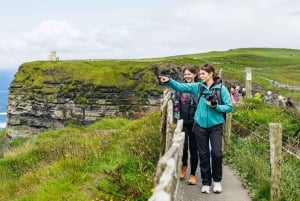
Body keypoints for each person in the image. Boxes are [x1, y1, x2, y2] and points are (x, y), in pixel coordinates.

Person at [159, 63, 232, 194]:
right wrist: (169, 81)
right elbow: (181, 87)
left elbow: (229, 106)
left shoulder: (222, 89)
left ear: (211, 74)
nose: (201, 76)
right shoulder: (197, 87)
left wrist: (216, 107)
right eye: (200, 73)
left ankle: (216, 182)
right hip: (200, 125)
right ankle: (205, 182)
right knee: (203, 154)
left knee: (217, 154)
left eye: (203, 73)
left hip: (216, 126)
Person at [173, 66, 199, 185]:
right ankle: (184, 166)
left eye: (189, 74)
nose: (187, 76)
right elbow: (176, 105)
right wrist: (177, 120)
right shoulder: (180, 89)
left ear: (195, 74)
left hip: (196, 123)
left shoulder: (200, 88)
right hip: (183, 122)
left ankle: (193, 174)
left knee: (194, 149)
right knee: (183, 147)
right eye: (185, 74)